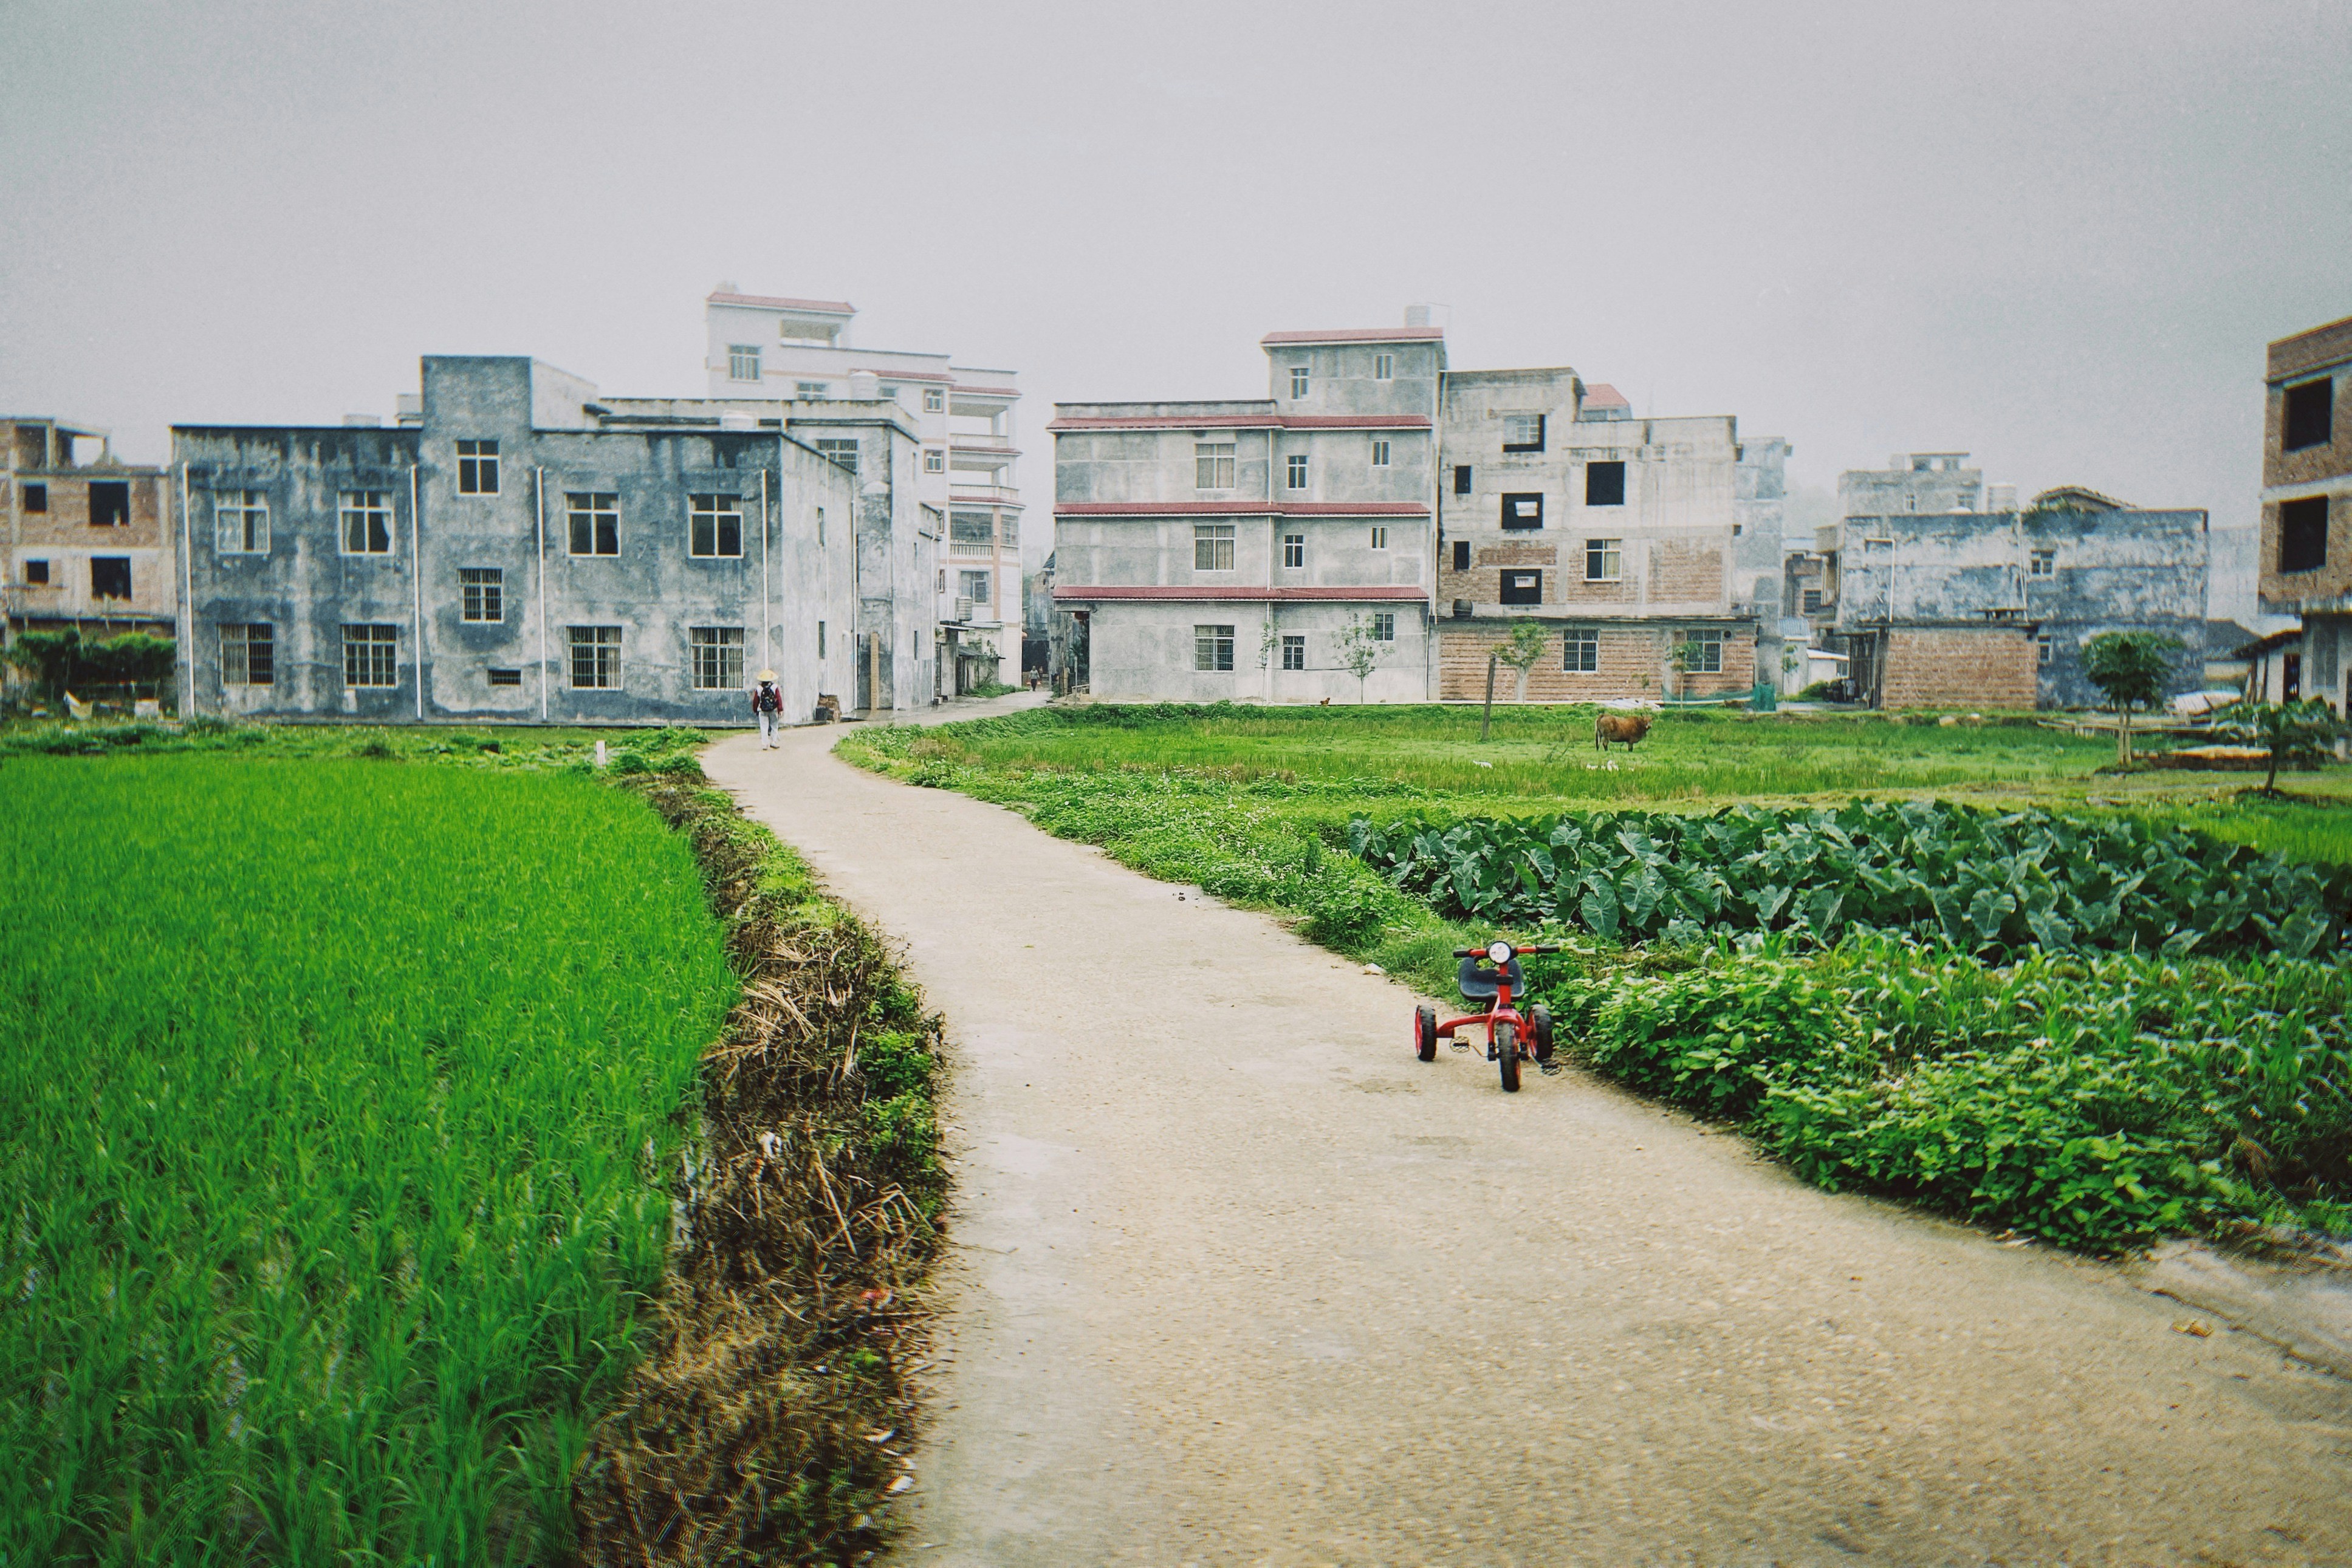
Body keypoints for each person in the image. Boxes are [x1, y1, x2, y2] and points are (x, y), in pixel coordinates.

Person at [750, 669, 783, 748]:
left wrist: (755, 710)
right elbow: (779, 698)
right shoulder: (774, 687)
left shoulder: (759, 688)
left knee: (764, 727)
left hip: (762, 710)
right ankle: (773, 742)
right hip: (773, 710)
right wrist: (780, 709)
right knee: (774, 726)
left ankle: (765, 744)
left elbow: (756, 700)